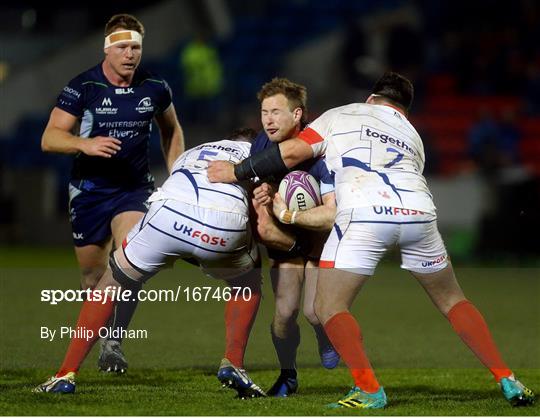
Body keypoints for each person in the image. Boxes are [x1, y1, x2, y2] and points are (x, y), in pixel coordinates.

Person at [207, 72, 536, 408]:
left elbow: (290, 153)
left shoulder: (341, 114)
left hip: (364, 212)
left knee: (327, 306)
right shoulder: (412, 134)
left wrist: (235, 172)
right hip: (419, 213)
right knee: (453, 300)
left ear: (371, 98)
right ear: (404, 109)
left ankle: (369, 389)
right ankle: (508, 379)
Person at [34, 129, 266, 399]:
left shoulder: (196, 149)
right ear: (254, 142)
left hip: (169, 214)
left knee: (110, 283)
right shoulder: (259, 157)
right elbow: (258, 218)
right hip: (221, 227)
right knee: (247, 282)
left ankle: (66, 374)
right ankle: (233, 363)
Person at [40, 13, 184, 373]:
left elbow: (172, 130)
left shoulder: (155, 86)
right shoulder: (84, 87)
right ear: (108, 48)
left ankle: (114, 341)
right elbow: (49, 137)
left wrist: (178, 174)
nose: (130, 54)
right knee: (92, 276)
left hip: (133, 191)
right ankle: (100, 335)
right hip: (89, 192)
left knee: (128, 260)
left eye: (135, 46)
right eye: (122, 46)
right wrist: (83, 145)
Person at [249, 78, 339, 397]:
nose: (268, 120)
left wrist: (294, 214)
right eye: (264, 112)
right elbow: (261, 187)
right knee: (284, 317)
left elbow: (332, 213)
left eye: (276, 112)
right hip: (287, 241)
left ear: (297, 114)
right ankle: (288, 375)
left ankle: (325, 335)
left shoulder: (321, 150)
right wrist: (264, 191)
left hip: (318, 240)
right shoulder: (261, 145)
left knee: (315, 312)